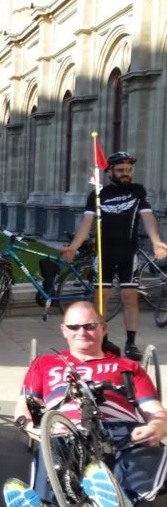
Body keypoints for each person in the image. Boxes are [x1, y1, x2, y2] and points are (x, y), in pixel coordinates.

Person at [2, 301, 166, 507]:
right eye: (74, 326)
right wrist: (31, 428)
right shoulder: (44, 363)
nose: (82, 332)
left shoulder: (127, 367)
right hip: (66, 429)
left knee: (149, 447)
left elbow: (156, 411)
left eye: (90, 326)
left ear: (103, 328)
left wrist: (156, 427)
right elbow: (23, 407)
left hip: (122, 427)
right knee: (52, 447)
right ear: (64, 330)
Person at [61, 151, 167, 360]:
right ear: (110, 172)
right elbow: (86, 224)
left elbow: (148, 218)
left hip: (128, 252)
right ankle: (102, 338)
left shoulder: (138, 192)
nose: (126, 174)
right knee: (101, 298)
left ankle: (131, 342)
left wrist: (156, 241)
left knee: (130, 297)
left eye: (128, 170)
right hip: (104, 253)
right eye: (121, 170)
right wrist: (73, 247)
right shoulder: (98, 195)